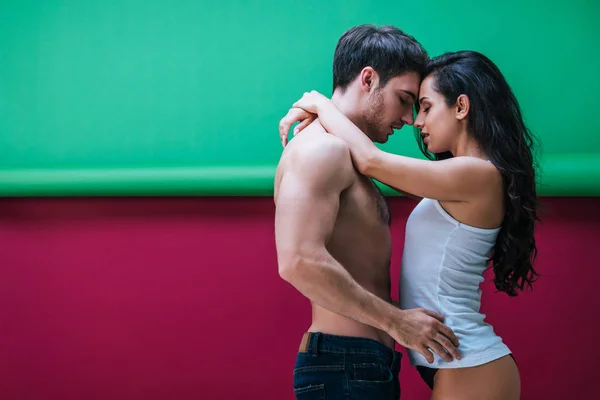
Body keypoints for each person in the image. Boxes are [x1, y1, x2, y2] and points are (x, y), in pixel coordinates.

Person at [279, 50, 540, 399]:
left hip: (470, 364)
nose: (416, 121)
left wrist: (320, 104)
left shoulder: (479, 174)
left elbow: (372, 161)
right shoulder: (454, 178)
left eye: (426, 107)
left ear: (461, 107)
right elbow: (370, 165)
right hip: (458, 363)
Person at [274, 25, 461, 400]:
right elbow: (296, 261)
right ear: (369, 79)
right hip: (344, 366)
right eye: (405, 99)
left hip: (359, 365)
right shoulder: (320, 151)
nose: (410, 119)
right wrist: (398, 323)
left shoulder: (347, 153)